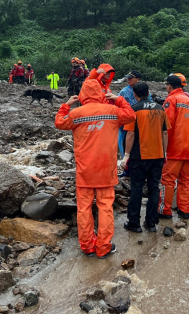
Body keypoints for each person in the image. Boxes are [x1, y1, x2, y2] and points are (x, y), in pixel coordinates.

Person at [54, 79, 136, 258]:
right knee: (105, 207)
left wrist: (66, 105)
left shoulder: (77, 113)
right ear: (101, 93)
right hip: (105, 169)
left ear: (82, 94)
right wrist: (118, 99)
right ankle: (104, 247)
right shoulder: (112, 111)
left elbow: (59, 122)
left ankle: (87, 246)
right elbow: (131, 116)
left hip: (85, 170)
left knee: (84, 209)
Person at [121, 81, 169, 233]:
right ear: (148, 92)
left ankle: (134, 223)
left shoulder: (134, 110)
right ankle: (151, 223)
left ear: (135, 95)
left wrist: (126, 155)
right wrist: (164, 153)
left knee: (137, 188)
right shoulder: (161, 109)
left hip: (139, 156)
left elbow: (130, 133)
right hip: (157, 156)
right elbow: (165, 133)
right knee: (154, 189)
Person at [157, 74, 189, 219]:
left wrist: (162, 146)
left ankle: (165, 210)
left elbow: (167, 125)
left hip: (175, 147)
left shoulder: (171, 99)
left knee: (168, 180)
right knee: (186, 179)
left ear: (169, 85)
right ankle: (185, 209)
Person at [117, 70, 152, 177]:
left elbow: (149, 106)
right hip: (126, 122)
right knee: (123, 144)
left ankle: (141, 168)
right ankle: (127, 169)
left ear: (138, 79)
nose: (128, 80)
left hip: (140, 122)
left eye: (131, 78)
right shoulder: (124, 91)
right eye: (127, 78)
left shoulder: (145, 93)